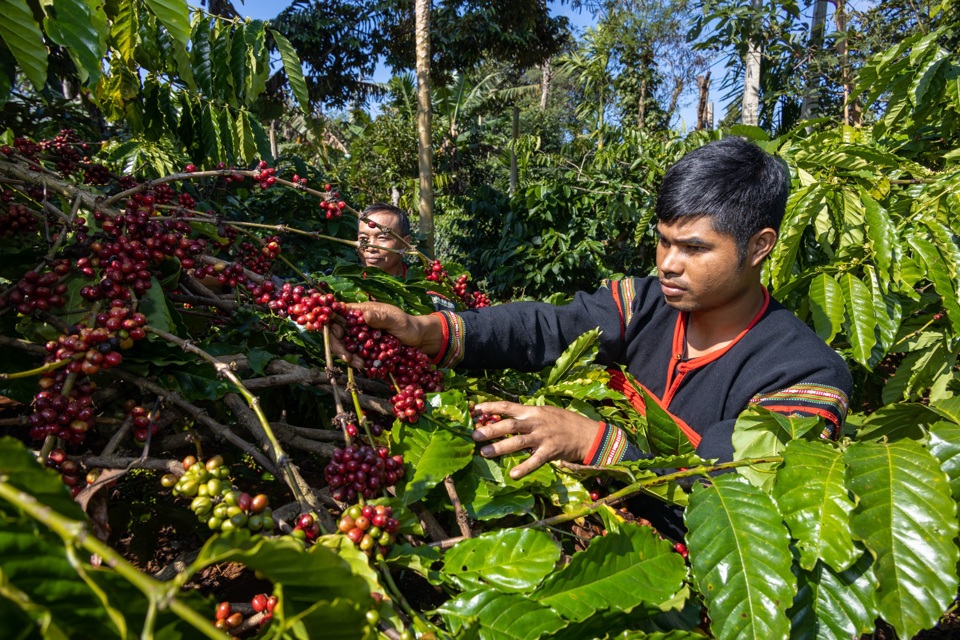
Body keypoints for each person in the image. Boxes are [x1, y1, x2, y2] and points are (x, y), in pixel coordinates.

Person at [337, 137, 852, 518]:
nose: (668, 263)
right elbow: (547, 327)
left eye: (694, 248)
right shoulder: (645, 304)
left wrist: (592, 442)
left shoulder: (803, 376)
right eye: (663, 241)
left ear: (760, 246)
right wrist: (427, 329)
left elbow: (726, 492)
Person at [357, 203, 413, 278]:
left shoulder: (424, 286)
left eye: (382, 238)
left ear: (405, 243)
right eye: (363, 238)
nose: (370, 248)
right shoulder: (348, 284)